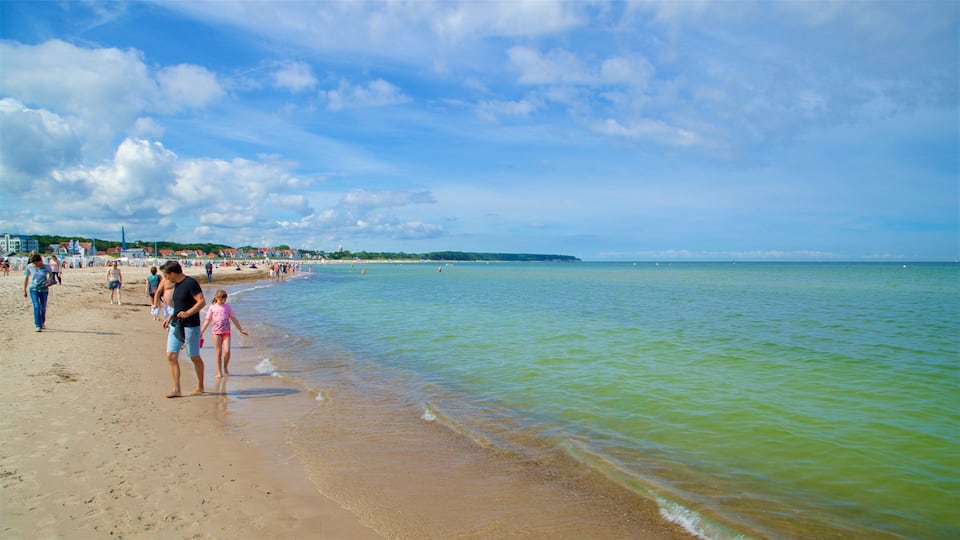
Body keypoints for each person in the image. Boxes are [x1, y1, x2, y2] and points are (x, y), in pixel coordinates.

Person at [159, 260, 206, 398]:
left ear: (173, 273)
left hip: (191, 325)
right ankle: (176, 389)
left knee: (194, 357)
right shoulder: (176, 284)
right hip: (176, 324)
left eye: (166, 275)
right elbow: (179, 305)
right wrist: (170, 316)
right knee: (171, 355)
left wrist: (188, 313)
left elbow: (202, 301)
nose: (165, 278)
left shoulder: (190, 283)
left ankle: (201, 386)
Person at [200, 289, 249, 378]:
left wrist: (240, 329)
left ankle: (225, 366)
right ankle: (219, 371)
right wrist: (201, 332)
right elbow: (207, 320)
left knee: (227, 351)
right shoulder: (212, 307)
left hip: (226, 332)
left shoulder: (227, 307)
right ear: (216, 298)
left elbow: (233, 318)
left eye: (225, 299)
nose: (223, 301)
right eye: (222, 299)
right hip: (216, 332)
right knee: (218, 352)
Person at [23, 253, 54, 331]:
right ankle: (38, 325)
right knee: (36, 306)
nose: (36, 264)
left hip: (44, 289)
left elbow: (51, 275)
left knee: (43, 308)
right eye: (34, 263)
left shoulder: (46, 266)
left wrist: (49, 280)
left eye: (37, 262)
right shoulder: (29, 267)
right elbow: (26, 278)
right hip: (33, 289)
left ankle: (42, 322)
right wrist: (24, 290)